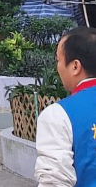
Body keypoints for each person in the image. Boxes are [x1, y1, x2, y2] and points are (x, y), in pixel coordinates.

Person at [36, 26, 96, 187]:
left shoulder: (59, 114)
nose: (58, 67)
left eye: (58, 60)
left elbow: (54, 182)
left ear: (75, 66)